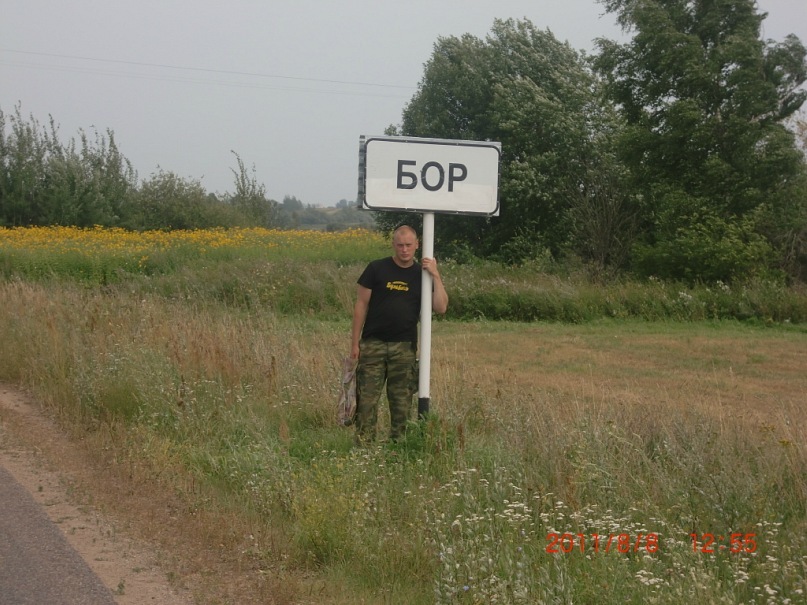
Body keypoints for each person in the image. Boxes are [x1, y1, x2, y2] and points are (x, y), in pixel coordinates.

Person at [350, 225, 448, 443]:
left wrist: (435, 275)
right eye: (400, 245)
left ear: (417, 245)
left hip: (404, 348)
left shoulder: (422, 275)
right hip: (373, 344)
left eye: (408, 245)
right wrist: (355, 344)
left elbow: (441, 308)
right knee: (366, 401)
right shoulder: (376, 268)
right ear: (393, 245)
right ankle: (364, 448)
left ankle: (398, 446)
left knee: (401, 402)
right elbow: (361, 305)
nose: (404, 250)